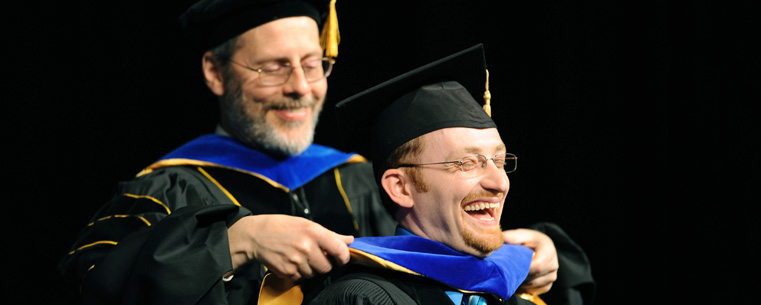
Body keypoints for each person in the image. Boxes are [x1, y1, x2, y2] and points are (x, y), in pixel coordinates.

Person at [58, 1, 561, 304]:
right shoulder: (163, 190)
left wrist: (537, 253)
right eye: (273, 67)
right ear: (215, 72)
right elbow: (90, 288)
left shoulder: (360, 178)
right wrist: (235, 242)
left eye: (314, 63)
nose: (301, 87)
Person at [306, 44, 595, 305]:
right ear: (401, 188)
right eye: (468, 163)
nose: (499, 183)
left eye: (499, 160)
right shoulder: (364, 299)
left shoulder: (518, 293)